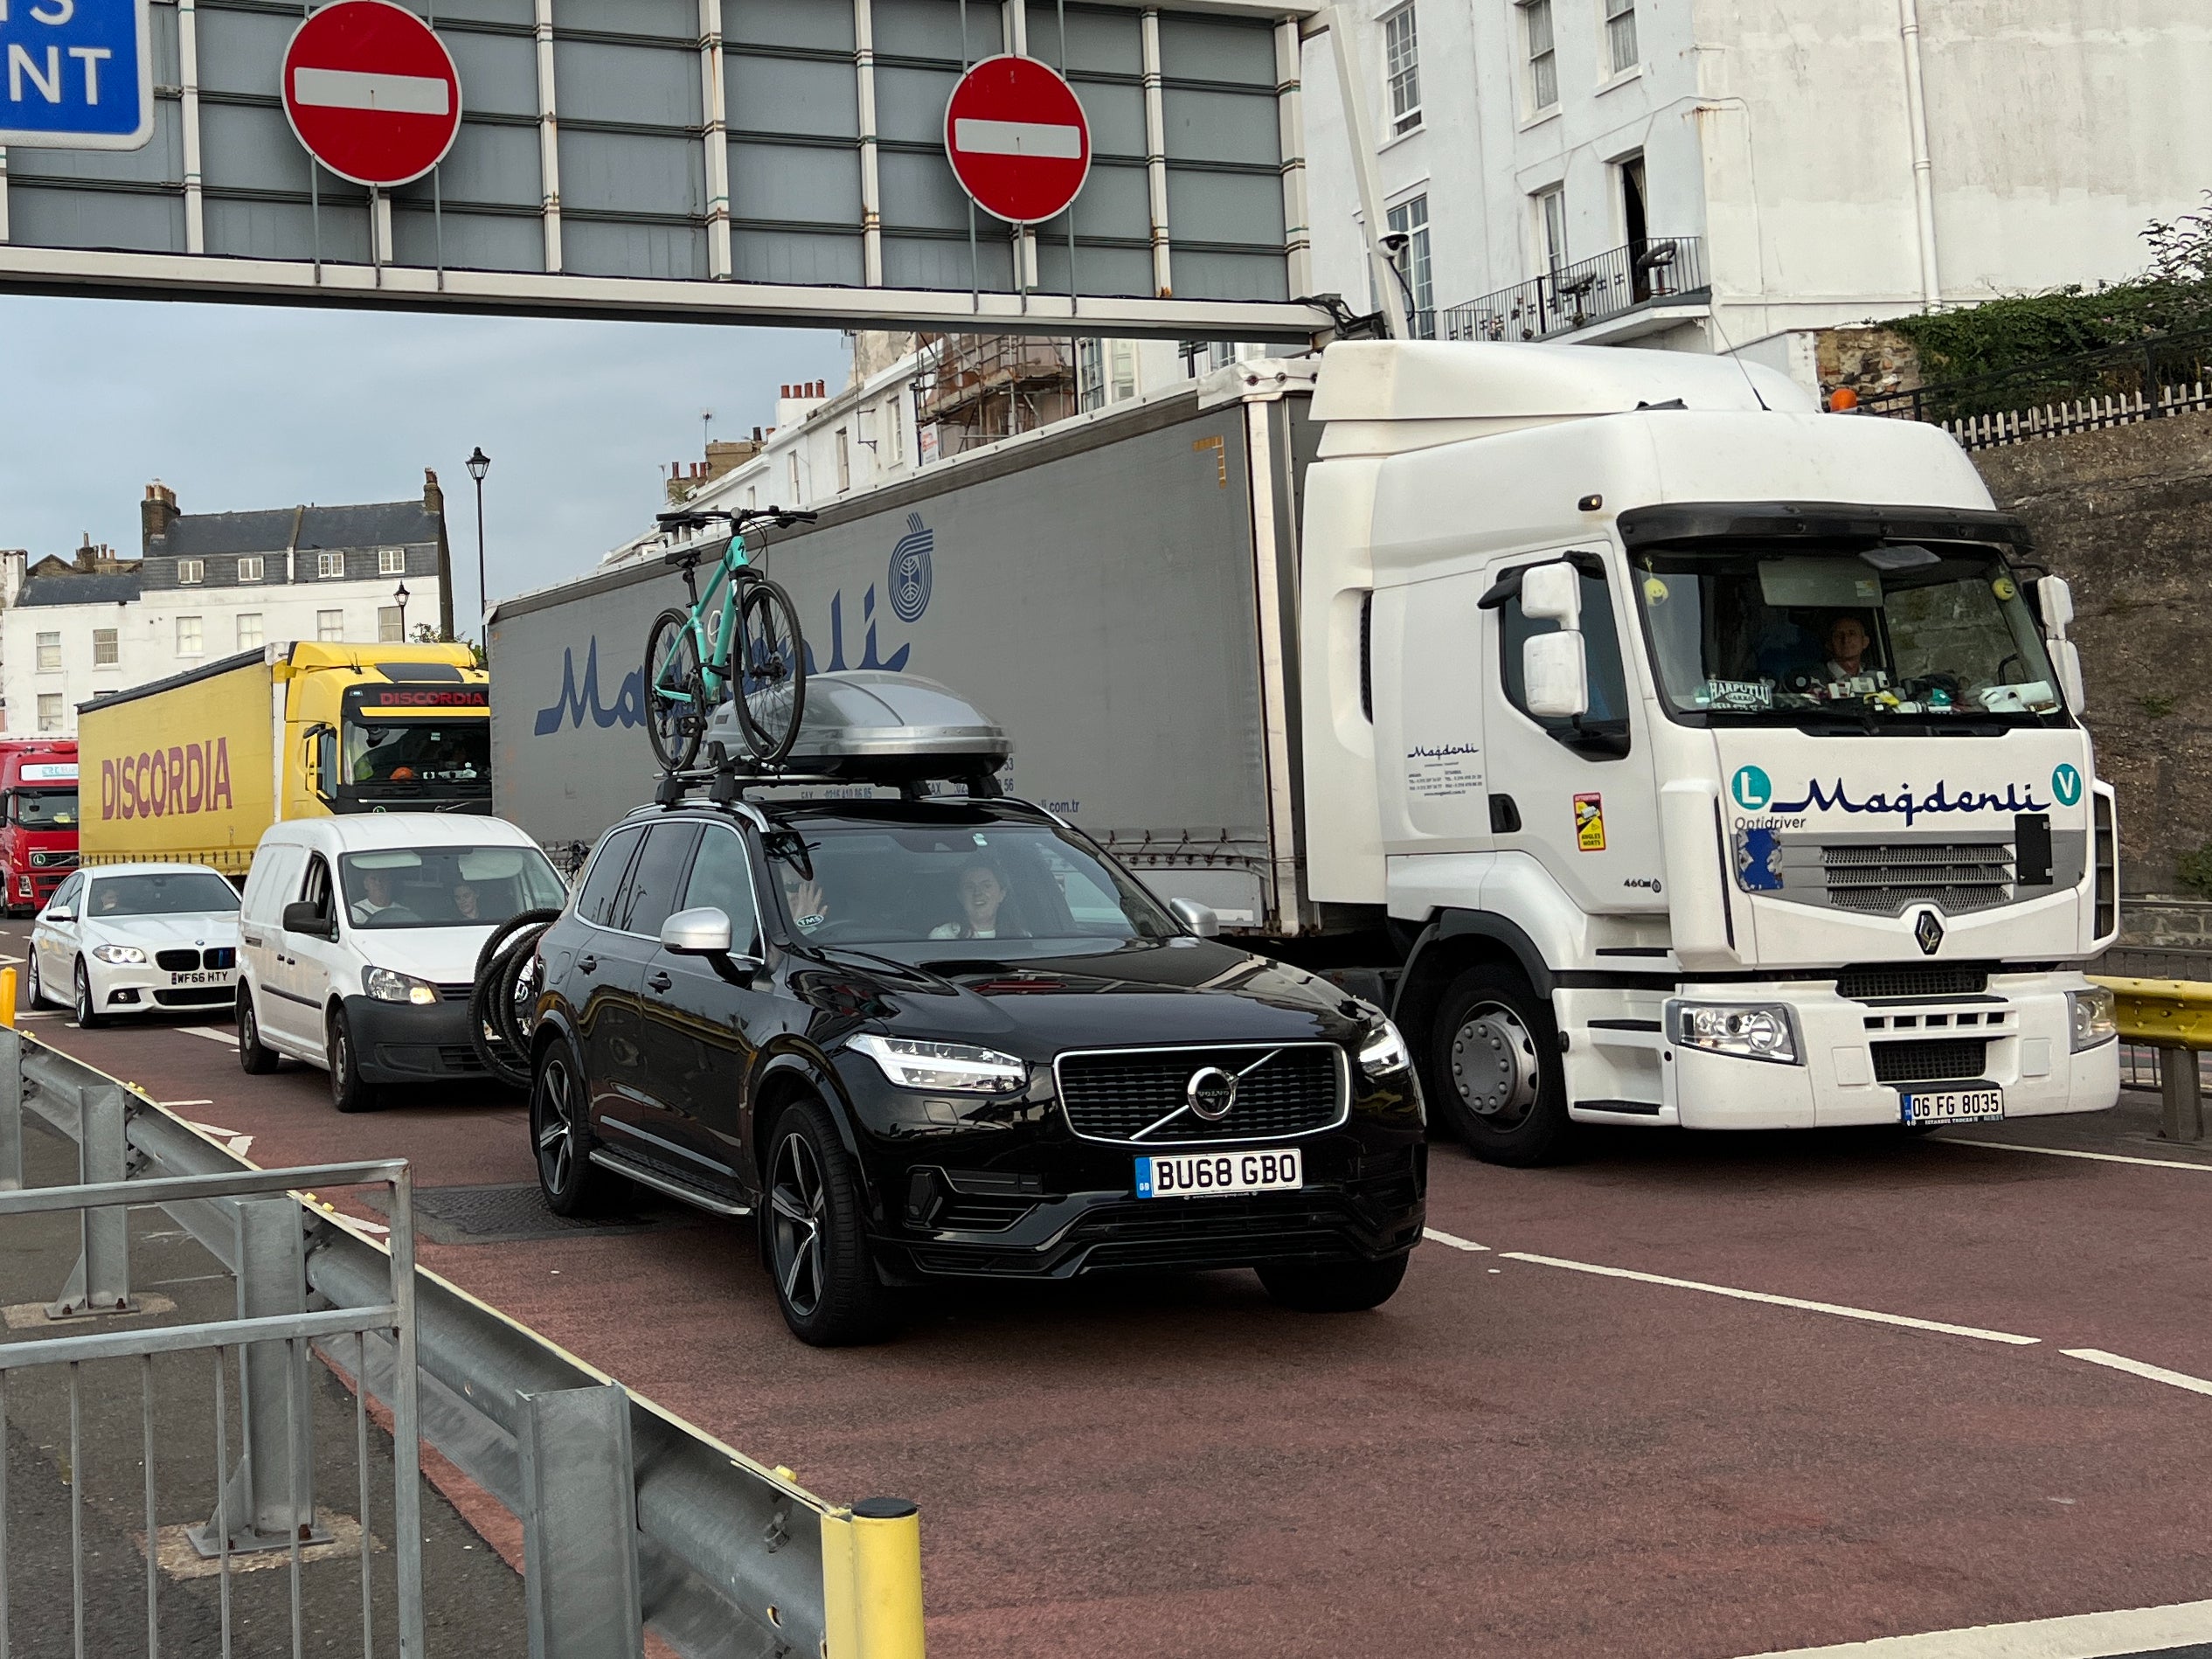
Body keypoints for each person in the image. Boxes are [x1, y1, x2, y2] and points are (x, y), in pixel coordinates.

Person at [932, 862, 1020, 940]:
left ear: (1002, 894)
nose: (977, 893)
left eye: (986, 886)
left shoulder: (1020, 936)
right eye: (970, 887)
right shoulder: (943, 936)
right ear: (960, 897)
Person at [350, 864, 421, 926]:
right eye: (373, 879)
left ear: (390, 883)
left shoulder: (404, 913)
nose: (378, 883)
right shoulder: (353, 913)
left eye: (383, 878)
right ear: (366, 884)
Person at [779, 864, 831, 935]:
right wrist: (800, 927)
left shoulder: (836, 932)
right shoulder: (769, 929)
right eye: (792, 887)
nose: (803, 895)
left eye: (809, 888)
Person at [1825, 614, 1876, 682]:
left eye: (1852, 634)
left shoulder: (1876, 677)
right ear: (1829, 644)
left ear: (1865, 642)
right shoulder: (1815, 678)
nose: (1846, 640)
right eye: (1838, 635)